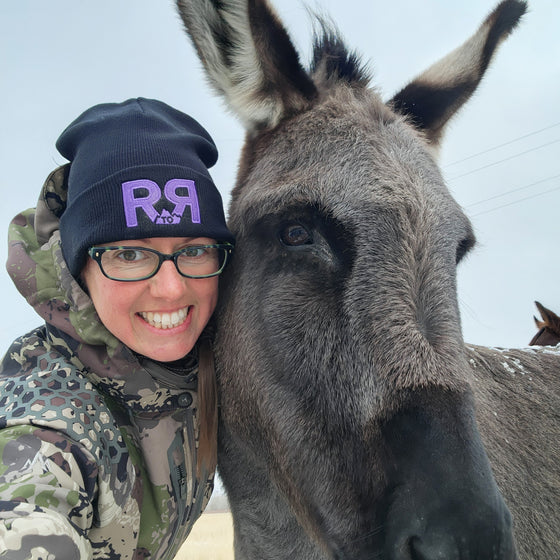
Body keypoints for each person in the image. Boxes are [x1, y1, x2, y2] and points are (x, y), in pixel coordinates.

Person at [0, 98, 235, 559]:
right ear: (77, 270)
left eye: (193, 249)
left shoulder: (229, 350)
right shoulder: (50, 426)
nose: (171, 290)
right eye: (130, 254)